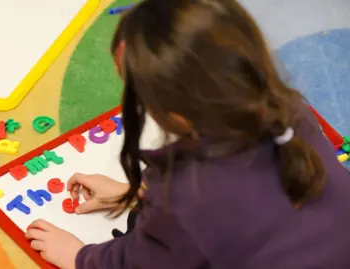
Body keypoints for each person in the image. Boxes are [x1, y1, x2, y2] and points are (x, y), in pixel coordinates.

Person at [26, 0, 350, 268]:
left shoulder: (186, 199)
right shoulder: (288, 109)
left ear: (175, 115)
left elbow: (142, 263)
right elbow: (252, 211)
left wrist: (80, 257)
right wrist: (137, 194)